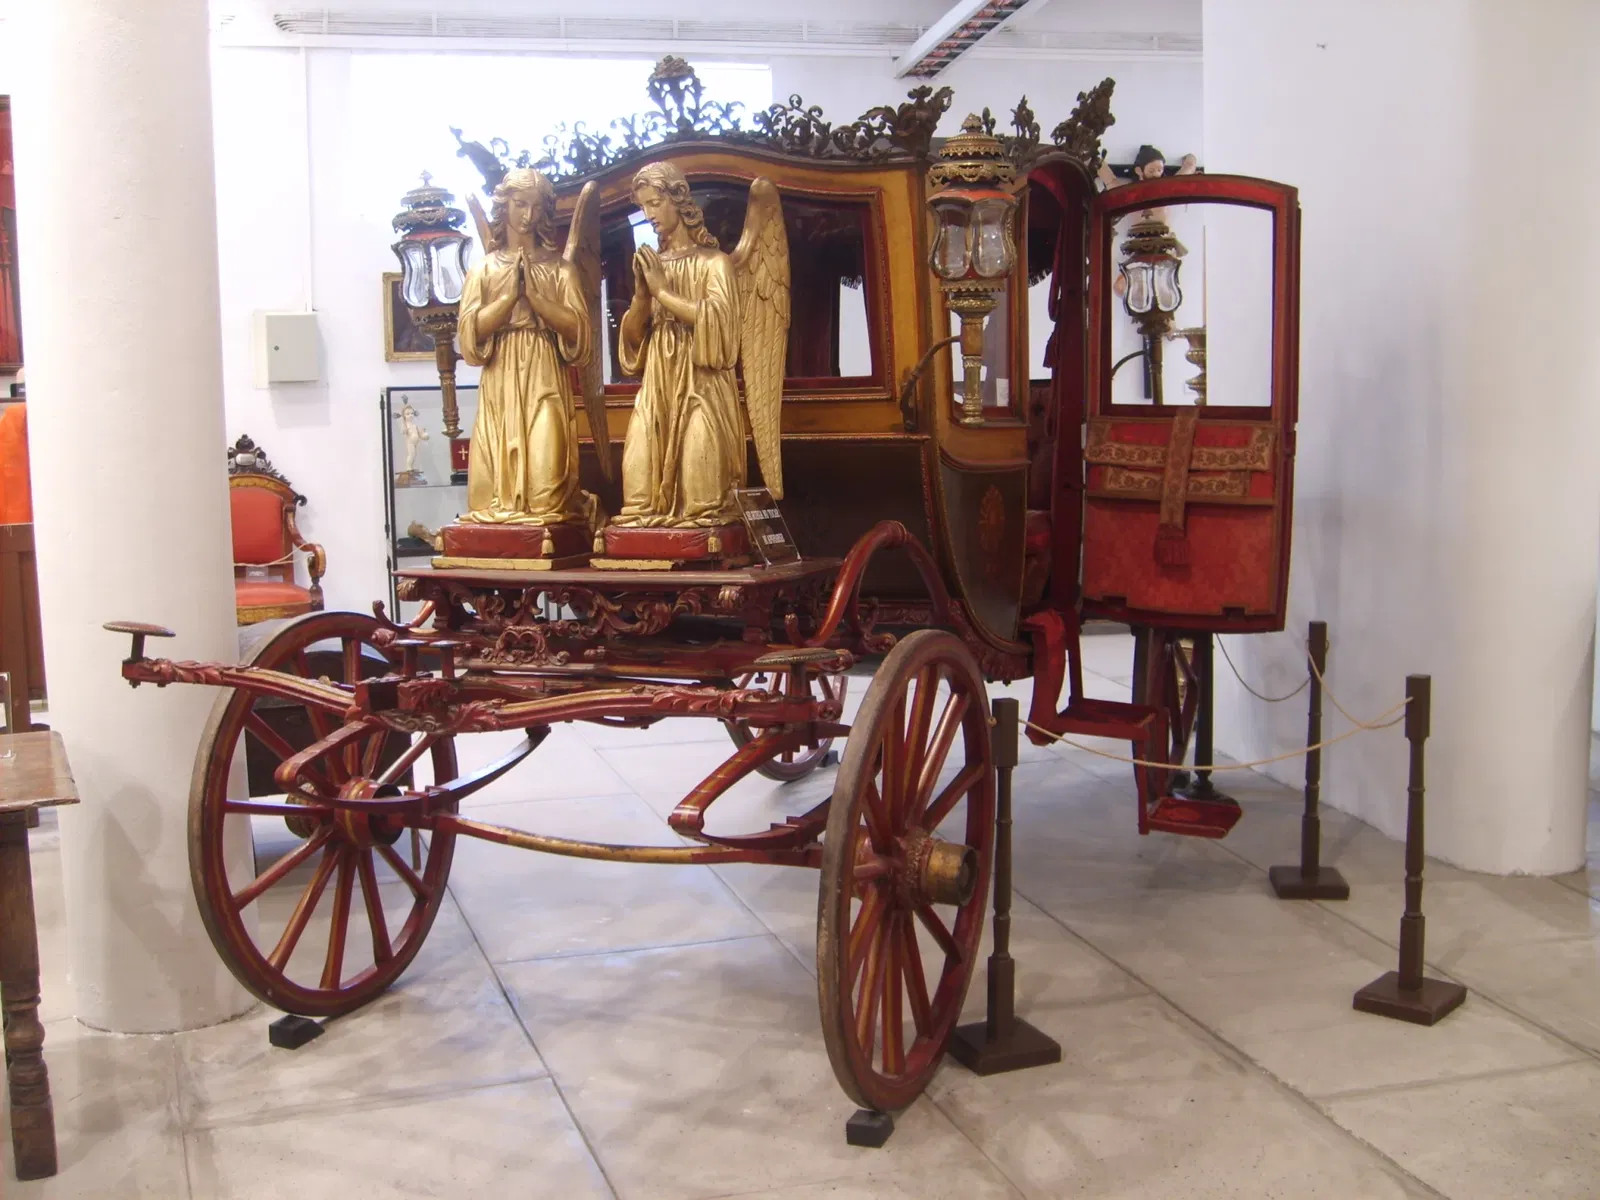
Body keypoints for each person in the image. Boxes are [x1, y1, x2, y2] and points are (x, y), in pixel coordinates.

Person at [455, 167, 591, 526]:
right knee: (487, 498)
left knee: (547, 494)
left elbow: (580, 331)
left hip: (544, 376)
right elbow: (469, 336)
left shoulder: (560, 270)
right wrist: (508, 298)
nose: (528, 216)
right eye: (520, 205)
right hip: (500, 381)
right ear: (505, 206)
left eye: (536, 207)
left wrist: (536, 298)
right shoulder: (484, 270)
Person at [613, 161, 745, 528]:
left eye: (655, 203)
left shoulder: (714, 263)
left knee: (703, 498)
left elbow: (720, 325)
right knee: (638, 494)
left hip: (701, 383)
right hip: (659, 382)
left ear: (678, 200)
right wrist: (642, 296)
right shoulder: (654, 265)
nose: (649, 215)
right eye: (644, 207)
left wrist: (661, 292)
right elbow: (633, 343)